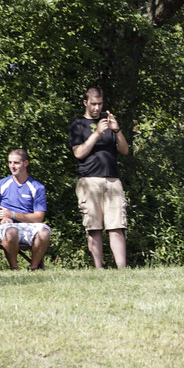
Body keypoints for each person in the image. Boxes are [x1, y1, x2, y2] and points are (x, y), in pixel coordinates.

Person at [69, 87, 130, 269]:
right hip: (89, 181)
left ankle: (122, 269)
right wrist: (97, 133)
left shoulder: (108, 122)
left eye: (100, 104)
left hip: (112, 180)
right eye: (93, 104)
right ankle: (99, 269)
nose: (97, 108)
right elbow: (79, 153)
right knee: (93, 227)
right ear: (85, 103)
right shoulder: (78, 125)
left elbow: (125, 150)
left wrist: (116, 129)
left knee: (117, 226)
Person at [0, 148, 52, 270]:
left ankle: (33, 268)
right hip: (6, 227)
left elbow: (39, 217)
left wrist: (12, 214)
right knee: (11, 232)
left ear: (26, 163)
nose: (12, 166)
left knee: (44, 232)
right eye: (10, 162)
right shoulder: (1, 184)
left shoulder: (37, 187)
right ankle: (14, 268)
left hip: (29, 225)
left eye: (16, 163)